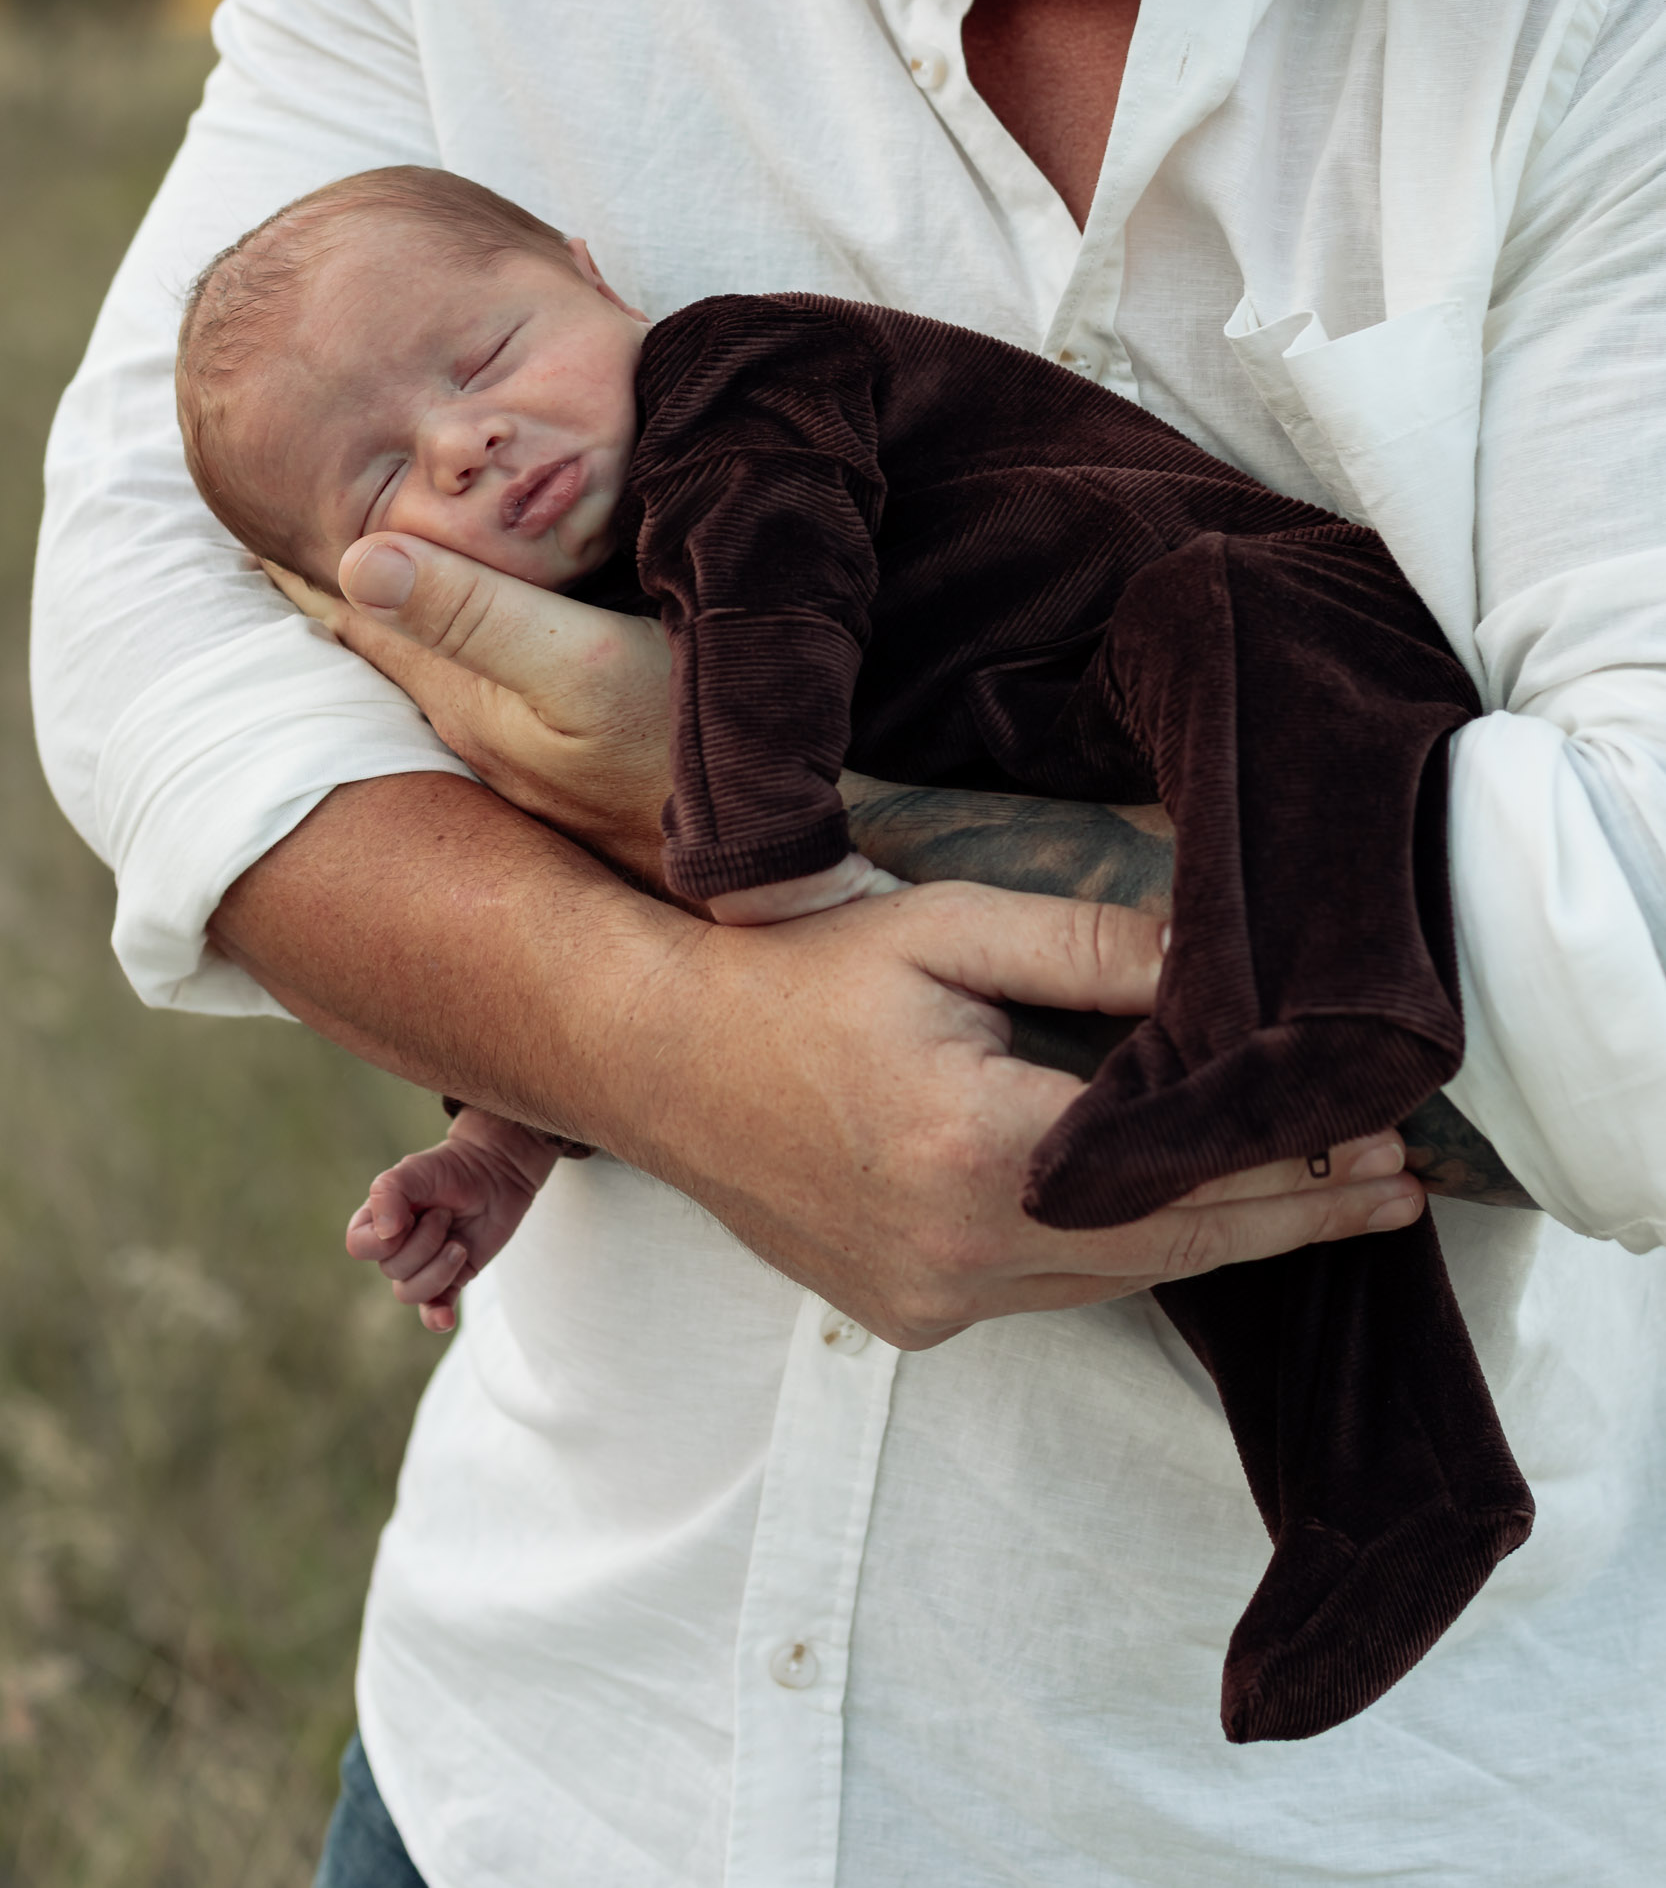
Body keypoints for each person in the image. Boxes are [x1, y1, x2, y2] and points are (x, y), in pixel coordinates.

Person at [30, 0, 1666, 1877]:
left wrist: (658, 779)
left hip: (1332, 1825)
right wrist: (658, 1042)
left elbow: (1642, 958)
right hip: (540, 1757)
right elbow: (155, 607)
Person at [175, 162, 1530, 1739]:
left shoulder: (737, 378)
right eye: (381, 479)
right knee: (1199, 1202)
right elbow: (593, 892)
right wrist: (501, 1144)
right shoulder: (545, 657)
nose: (467, 442)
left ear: (589, 267)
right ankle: (1390, 1493)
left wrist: (753, 841)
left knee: (1223, 635)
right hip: (1072, 800)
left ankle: (1329, 996)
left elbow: (772, 590)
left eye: (481, 362)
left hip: (1259, 633)